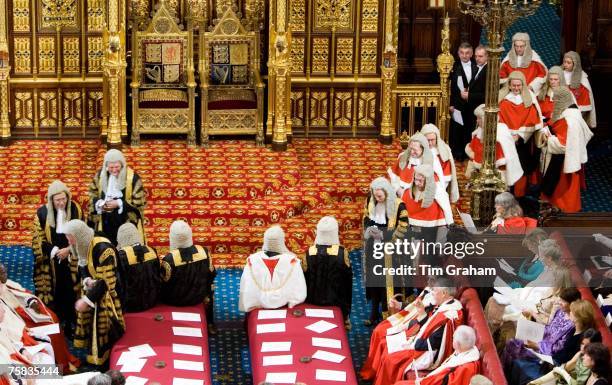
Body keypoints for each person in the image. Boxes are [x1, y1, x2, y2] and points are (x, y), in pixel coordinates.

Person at [370, 279, 464, 385]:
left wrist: (413, 343)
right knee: (388, 346)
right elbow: (428, 323)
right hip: (421, 340)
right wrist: (421, 313)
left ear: (444, 294)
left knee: (390, 359)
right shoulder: (443, 305)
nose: (432, 294)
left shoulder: (449, 315)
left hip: (429, 352)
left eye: (435, 291)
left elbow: (434, 342)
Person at [63, 219, 125, 366]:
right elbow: (82, 265)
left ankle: (106, 360)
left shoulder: (103, 249)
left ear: (78, 235)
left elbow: (106, 282)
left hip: (109, 294)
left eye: (69, 237)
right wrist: (87, 281)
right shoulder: (82, 243)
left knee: (105, 330)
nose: (68, 241)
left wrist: (86, 300)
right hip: (95, 289)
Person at [0, 264, 80, 372]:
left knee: (53, 319)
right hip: (18, 328)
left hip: (22, 316)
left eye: (5, 272)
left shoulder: (6, 284)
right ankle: (60, 369)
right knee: (48, 343)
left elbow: (23, 293)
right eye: (2, 273)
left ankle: (63, 362)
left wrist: (31, 301)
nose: (5, 275)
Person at [31, 180, 83, 336]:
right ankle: (57, 321)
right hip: (51, 259)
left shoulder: (75, 209)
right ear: (51, 200)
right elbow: (38, 240)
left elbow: (82, 233)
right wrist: (54, 251)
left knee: (71, 289)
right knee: (56, 291)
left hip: (71, 257)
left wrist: (68, 250)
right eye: (58, 200)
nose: (61, 203)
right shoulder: (42, 214)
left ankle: (72, 322)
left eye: (64, 199)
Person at [505, 299, 596, 385]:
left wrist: (544, 354)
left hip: (554, 365)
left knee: (520, 361)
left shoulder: (581, 339)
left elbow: (569, 362)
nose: (569, 313)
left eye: (572, 312)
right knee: (516, 347)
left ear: (578, 317)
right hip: (549, 359)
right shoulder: (573, 330)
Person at [360, 286, 436, 379]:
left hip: (415, 329)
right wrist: (399, 305)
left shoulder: (437, 303)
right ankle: (374, 372)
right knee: (378, 330)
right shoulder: (429, 290)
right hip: (408, 320)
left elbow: (426, 323)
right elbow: (413, 306)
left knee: (386, 345)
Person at [362, 177, 409, 325]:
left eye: (380, 196)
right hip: (373, 248)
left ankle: (387, 315)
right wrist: (369, 230)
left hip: (390, 253)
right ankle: (373, 312)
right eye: (375, 196)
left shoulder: (399, 206)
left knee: (386, 283)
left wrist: (384, 235)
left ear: (387, 193)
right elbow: (366, 218)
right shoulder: (371, 199)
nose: (377, 199)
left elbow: (403, 228)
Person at [540, 87, 593, 213]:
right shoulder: (573, 111)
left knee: (562, 188)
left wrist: (549, 138)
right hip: (572, 155)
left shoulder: (569, 120)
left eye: (556, 100)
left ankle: (564, 209)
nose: (554, 102)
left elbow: (562, 145)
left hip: (564, 160)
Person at [239, 225, 307, 312]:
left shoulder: (252, 260)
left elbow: (247, 286)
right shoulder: (292, 261)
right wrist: (292, 301)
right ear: (281, 241)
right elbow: (298, 288)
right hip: (284, 302)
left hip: (259, 302)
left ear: (265, 240)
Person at [498, 70, 544, 197]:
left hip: (523, 140)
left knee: (522, 167)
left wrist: (519, 135)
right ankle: (506, 194)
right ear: (509, 85)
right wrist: (508, 135)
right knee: (506, 166)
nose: (516, 88)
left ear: (523, 85)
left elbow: (533, 119)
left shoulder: (530, 98)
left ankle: (520, 195)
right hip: (506, 139)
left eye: (519, 85)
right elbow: (498, 117)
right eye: (513, 85)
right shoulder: (502, 98)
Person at [301, 216, 352, 327]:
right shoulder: (342, 254)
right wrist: (346, 313)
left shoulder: (308, 253)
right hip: (336, 303)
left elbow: (303, 282)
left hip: (311, 303)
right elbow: (347, 285)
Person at [160, 221, 215, 321]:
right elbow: (212, 275)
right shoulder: (204, 251)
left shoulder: (169, 260)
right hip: (199, 297)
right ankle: (210, 322)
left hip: (175, 300)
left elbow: (163, 284)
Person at [88, 149, 145, 245]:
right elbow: (92, 194)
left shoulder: (133, 179)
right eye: (111, 167)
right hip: (104, 220)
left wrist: (119, 203)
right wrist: (100, 203)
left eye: (117, 167)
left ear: (122, 165)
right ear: (106, 166)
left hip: (125, 220)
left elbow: (139, 204)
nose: (114, 170)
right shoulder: (99, 176)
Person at [394, 326, 481, 385]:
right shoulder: (465, 350)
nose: (452, 339)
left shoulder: (465, 367)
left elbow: (445, 381)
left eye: (453, 338)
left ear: (457, 344)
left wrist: (423, 381)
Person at [465, 104, 523, 187]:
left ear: (486, 119)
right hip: (479, 173)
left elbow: (501, 164)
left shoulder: (499, 135)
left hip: (494, 177)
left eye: (479, 118)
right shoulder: (479, 132)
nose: (477, 121)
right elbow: (473, 154)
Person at [528, 328, 602, 385]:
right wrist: (537, 382)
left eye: (587, 345)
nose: (583, 348)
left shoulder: (591, 364)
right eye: (582, 344)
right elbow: (561, 369)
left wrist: (563, 373)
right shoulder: (580, 354)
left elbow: (576, 382)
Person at [401, 164, 454, 242]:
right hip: (415, 222)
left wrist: (450, 222)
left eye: (420, 181)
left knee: (430, 244)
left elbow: (446, 206)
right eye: (416, 179)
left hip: (433, 222)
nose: (417, 183)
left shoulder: (437, 189)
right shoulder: (409, 190)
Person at [115, 223, 160, 313]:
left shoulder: (121, 256)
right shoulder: (152, 250)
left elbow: (118, 283)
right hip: (153, 301)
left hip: (131, 306)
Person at [449, 42, 478, 159]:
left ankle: (469, 153)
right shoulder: (453, 67)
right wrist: (450, 104)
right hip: (457, 104)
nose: (464, 56)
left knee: (470, 128)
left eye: (467, 53)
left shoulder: (477, 67)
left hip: (472, 104)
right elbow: (449, 88)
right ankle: (458, 154)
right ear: (458, 54)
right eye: (462, 53)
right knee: (457, 128)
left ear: (471, 54)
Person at [420, 123, 459, 203]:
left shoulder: (443, 151)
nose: (430, 143)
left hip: (439, 185)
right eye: (428, 140)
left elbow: (446, 176)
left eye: (432, 140)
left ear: (437, 138)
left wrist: (436, 189)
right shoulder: (417, 149)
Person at [562, 51, 597, 128]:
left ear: (575, 64)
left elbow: (585, 96)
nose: (566, 64)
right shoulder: (560, 74)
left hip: (577, 109)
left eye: (569, 63)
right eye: (564, 62)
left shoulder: (582, 78)